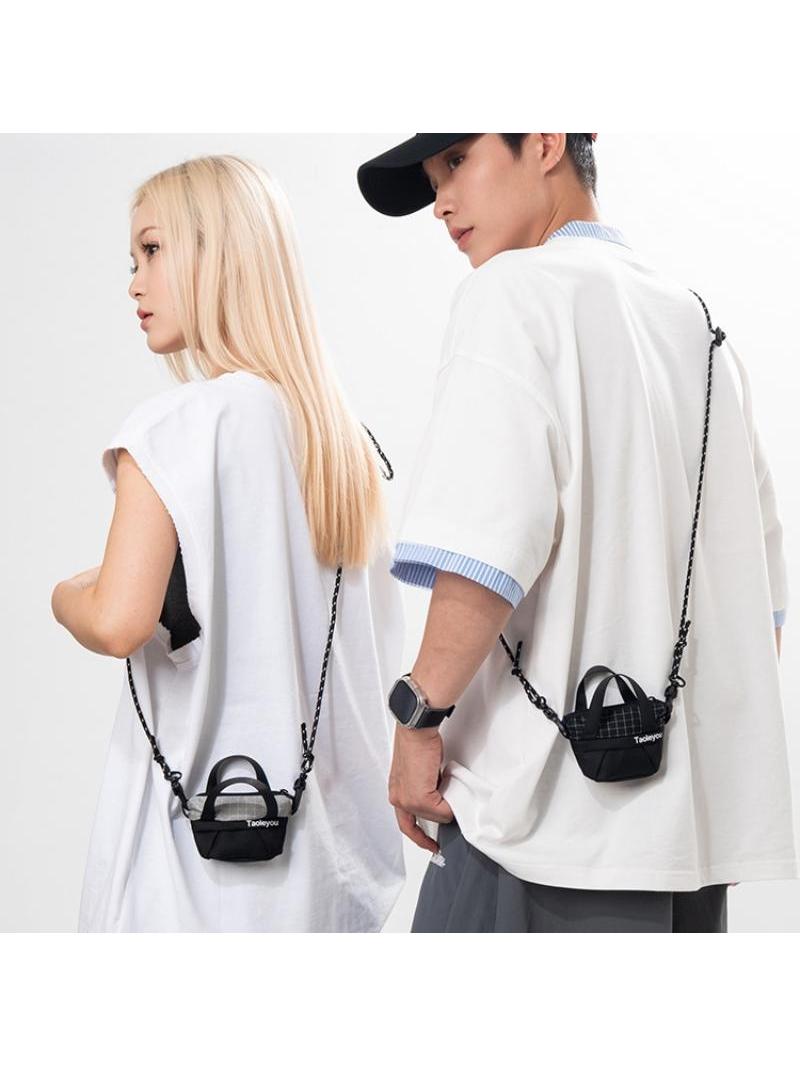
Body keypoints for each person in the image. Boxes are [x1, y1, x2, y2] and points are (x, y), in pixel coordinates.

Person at [357, 133, 796, 933]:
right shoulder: (697, 324)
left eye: (456, 163)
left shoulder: (511, 293)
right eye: (431, 180)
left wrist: (417, 721)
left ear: (546, 140)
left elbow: (483, 549)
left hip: (541, 834)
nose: (441, 203)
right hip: (683, 853)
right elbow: (755, 598)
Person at [51, 154, 405, 932]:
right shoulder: (345, 446)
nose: (134, 283)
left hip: (187, 881)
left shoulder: (177, 427)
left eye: (152, 250)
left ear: (217, 253)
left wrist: (64, 594)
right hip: (325, 878)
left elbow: (117, 620)